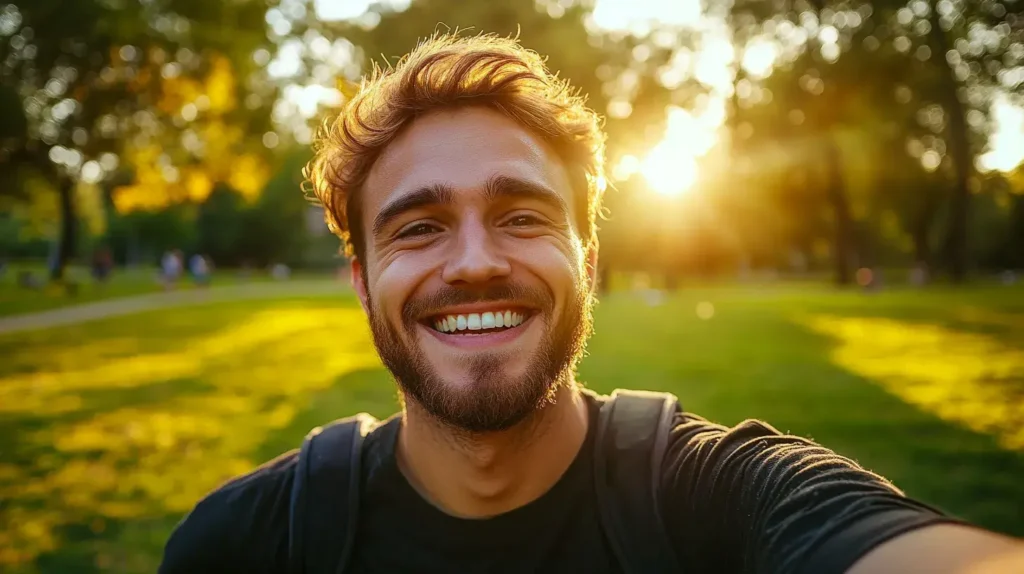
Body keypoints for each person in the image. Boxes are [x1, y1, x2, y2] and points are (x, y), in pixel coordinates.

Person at [159, 34, 1023, 574]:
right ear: (361, 281)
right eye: (418, 227)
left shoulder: (722, 501)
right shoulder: (243, 546)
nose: (475, 263)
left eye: (522, 216)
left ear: (589, 259)